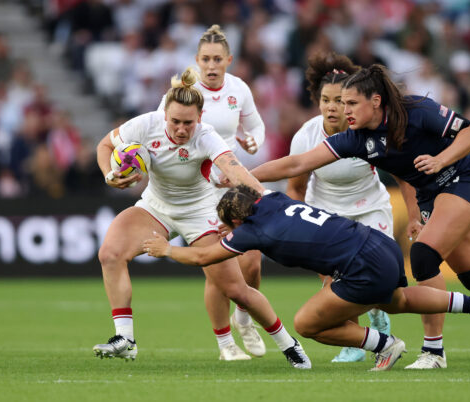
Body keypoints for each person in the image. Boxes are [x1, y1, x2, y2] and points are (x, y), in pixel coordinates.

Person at [245, 63, 470, 369]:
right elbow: (296, 164)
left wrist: (441, 160)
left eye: (351, 103)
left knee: (423, 256)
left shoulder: (415, 110)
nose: (345, 111)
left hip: (463, 180)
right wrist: (243, 174)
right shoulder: (356, 139)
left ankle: (434, 350)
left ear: (375, 101)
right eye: (341, 104)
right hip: (432, 194)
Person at [143, 184, 470, 372]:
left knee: (307, 323)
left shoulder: (251, 231)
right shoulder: (274, 198)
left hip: (360, 263)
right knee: (398, 301)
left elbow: (205, 255)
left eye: (227, 225)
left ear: (238, 222)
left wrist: (167, 250)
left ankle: (385, 346)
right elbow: (248, 189)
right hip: (379, 242)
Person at [93, 66, 310, 369]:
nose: (181, 129)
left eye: (188, 123)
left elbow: (235, 171)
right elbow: (105, 145)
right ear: (164, 115)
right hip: (155, 207)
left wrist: (268, 200)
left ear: (200, 118)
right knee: (110, 253)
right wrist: (109, 175)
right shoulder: (145, 124)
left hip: (199, 212)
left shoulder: (206, 136)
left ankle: (289, 344)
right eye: (175, 122)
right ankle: (125, 339)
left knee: (236, 291)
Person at [157, 25, 266, 359]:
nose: (212, 65)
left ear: (229, 60)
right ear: (197, 60)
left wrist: (253, 141)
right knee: (218, 269)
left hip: (231, 187)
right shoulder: (181, 93)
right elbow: (163, 134)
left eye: (218, 58)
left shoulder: (239, 89)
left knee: (252, 263)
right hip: (200, 189)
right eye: (206, 58)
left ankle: (244, 320)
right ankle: (226, 344)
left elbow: (256, 126)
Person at [286, 52, 392, 363]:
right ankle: (355, 344)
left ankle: (376, 313)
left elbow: (402, 172)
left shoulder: (368, 129)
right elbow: (295, 187)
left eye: (339, 100)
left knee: (374, 277)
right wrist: (295, 226)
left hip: (370, 207)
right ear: (317, 101)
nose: (332, 107)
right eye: (325, 100)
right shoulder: (305, 137)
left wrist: (415, 215)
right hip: (325, 213)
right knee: (335, 285)